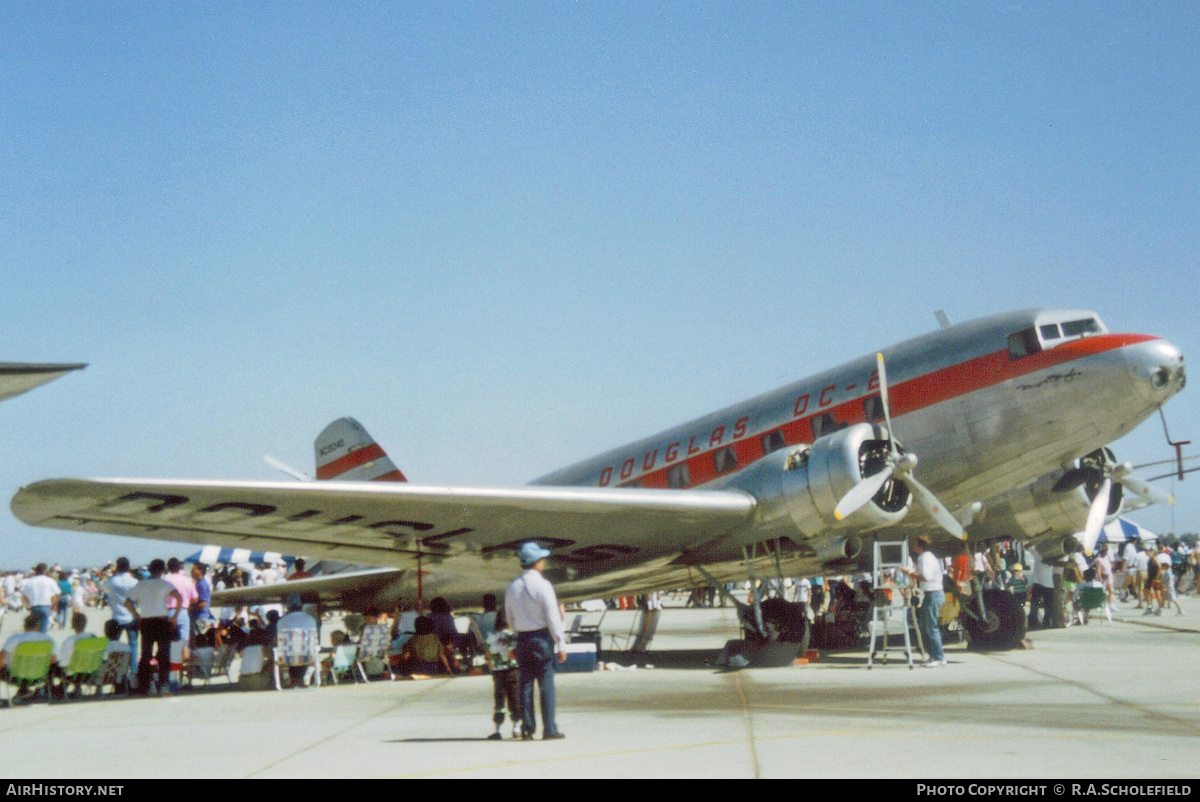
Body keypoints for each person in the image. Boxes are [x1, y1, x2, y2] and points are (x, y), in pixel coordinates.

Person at [504, 542, 567, 739]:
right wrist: (561, 644)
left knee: (525, 685)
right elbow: (553, 617)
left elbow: (510, 618)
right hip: (541, 638)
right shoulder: (543, 585)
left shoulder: (512, 587)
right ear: (537, 562)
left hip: (522, 639)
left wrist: (515, 641)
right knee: (546, 684)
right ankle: (549, 729)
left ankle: (527, 728)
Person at [124, 559, 183, 696]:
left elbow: (127, 602)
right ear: (163, 570)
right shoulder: (165, 584)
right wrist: (175, 617)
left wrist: (137, 616)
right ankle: (164, 686)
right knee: (164, 655)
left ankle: (144, 686)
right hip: (162, 620)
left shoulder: (141, 585)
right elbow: (179, 598)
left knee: (146, 655)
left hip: (146, 621)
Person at [904, 536, 946, 668]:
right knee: (925, 626)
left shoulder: (924, 557)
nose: (914, 547)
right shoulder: (929, 556)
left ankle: (939, 657)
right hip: (934, 594)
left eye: (915, 545)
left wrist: (909, 572)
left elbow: (925, 577)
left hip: (933, 594)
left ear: (919, 546)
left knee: (930, 627)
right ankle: (933, 655)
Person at [484, 606, 522, 740]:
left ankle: (498, 729)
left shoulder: (490, 637)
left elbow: (489, 656)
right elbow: (513, 655)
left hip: (497, 672)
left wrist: (493, 668)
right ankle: (516, 727)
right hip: (512, 671)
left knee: (499, 700)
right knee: (515, 699)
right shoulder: (512, 636)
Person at [276, 593, 319, 687]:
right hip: (308, 656)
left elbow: (278, 642)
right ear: (301, 605)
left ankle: (285, 673)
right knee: (315, 649)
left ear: (287, 606)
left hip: (287, 658)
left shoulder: (281, 621)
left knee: (278, 651)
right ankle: (308, 674)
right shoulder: (310, 619)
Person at [104, 558, 140, 667]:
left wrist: (114, 573)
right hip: (131, 616)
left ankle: (114, 669)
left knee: (113, 646)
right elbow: (138, 598)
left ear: (118, 567)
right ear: (128, 567)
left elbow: (105, 586)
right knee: (133, 645)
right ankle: (133, 671)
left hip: (116, 617)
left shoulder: (112, 581)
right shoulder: (134, 581)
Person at [19, 564, 61, 633]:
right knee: (44, 628)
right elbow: (58, 593)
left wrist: (28, 602)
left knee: (35, 628)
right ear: (45, 571)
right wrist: (54, 604)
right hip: (46, 605)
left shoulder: (31, 581)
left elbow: (24, 593)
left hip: (34, 606)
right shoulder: (49, 580)